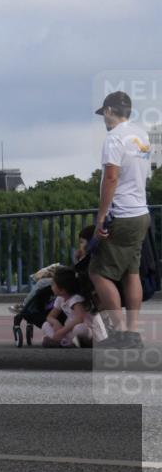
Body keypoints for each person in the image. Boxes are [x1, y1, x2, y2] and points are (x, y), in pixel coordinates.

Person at [88, 91, 152, 349]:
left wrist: (102, 216)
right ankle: (133, 332)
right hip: (141, 212)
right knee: (131, 271)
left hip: (121, 214)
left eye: (104, 113)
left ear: (109, 111)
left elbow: (111, 178)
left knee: (97, 272)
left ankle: (120, 332)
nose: (104, 118)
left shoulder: (114, 138)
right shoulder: (141, 137)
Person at [41, 266, 108, 348]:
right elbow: (50, 317)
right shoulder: (60, 299)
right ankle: (63, 342)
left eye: (53, 284)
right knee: (45, 325)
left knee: (79, 329)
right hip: (72, 329)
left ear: (62, 290)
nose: (51, 286)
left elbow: (79, 319)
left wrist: (61, 332)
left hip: (91, 331)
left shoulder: (76, 299)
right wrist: (55, 322)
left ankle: (62, 342)